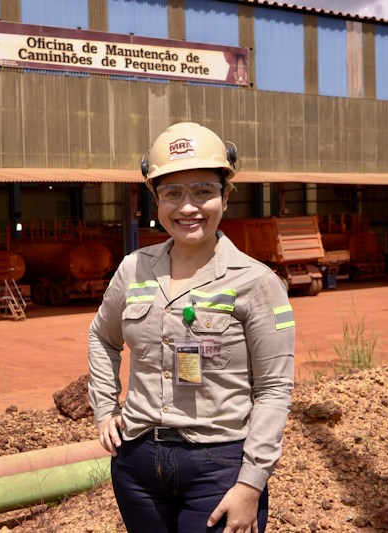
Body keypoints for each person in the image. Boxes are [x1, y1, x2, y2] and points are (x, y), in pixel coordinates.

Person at [88, 122, 295, 533]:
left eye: (203, 191)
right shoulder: (134, 269)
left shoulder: (257, 282)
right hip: (138, 465)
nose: (187, 207)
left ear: (225, 195)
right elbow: (101, 336)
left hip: (218, 468)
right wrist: (105, 409)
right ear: (156, 199)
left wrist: (251, 484)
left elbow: (274, 389)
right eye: (173, 193)